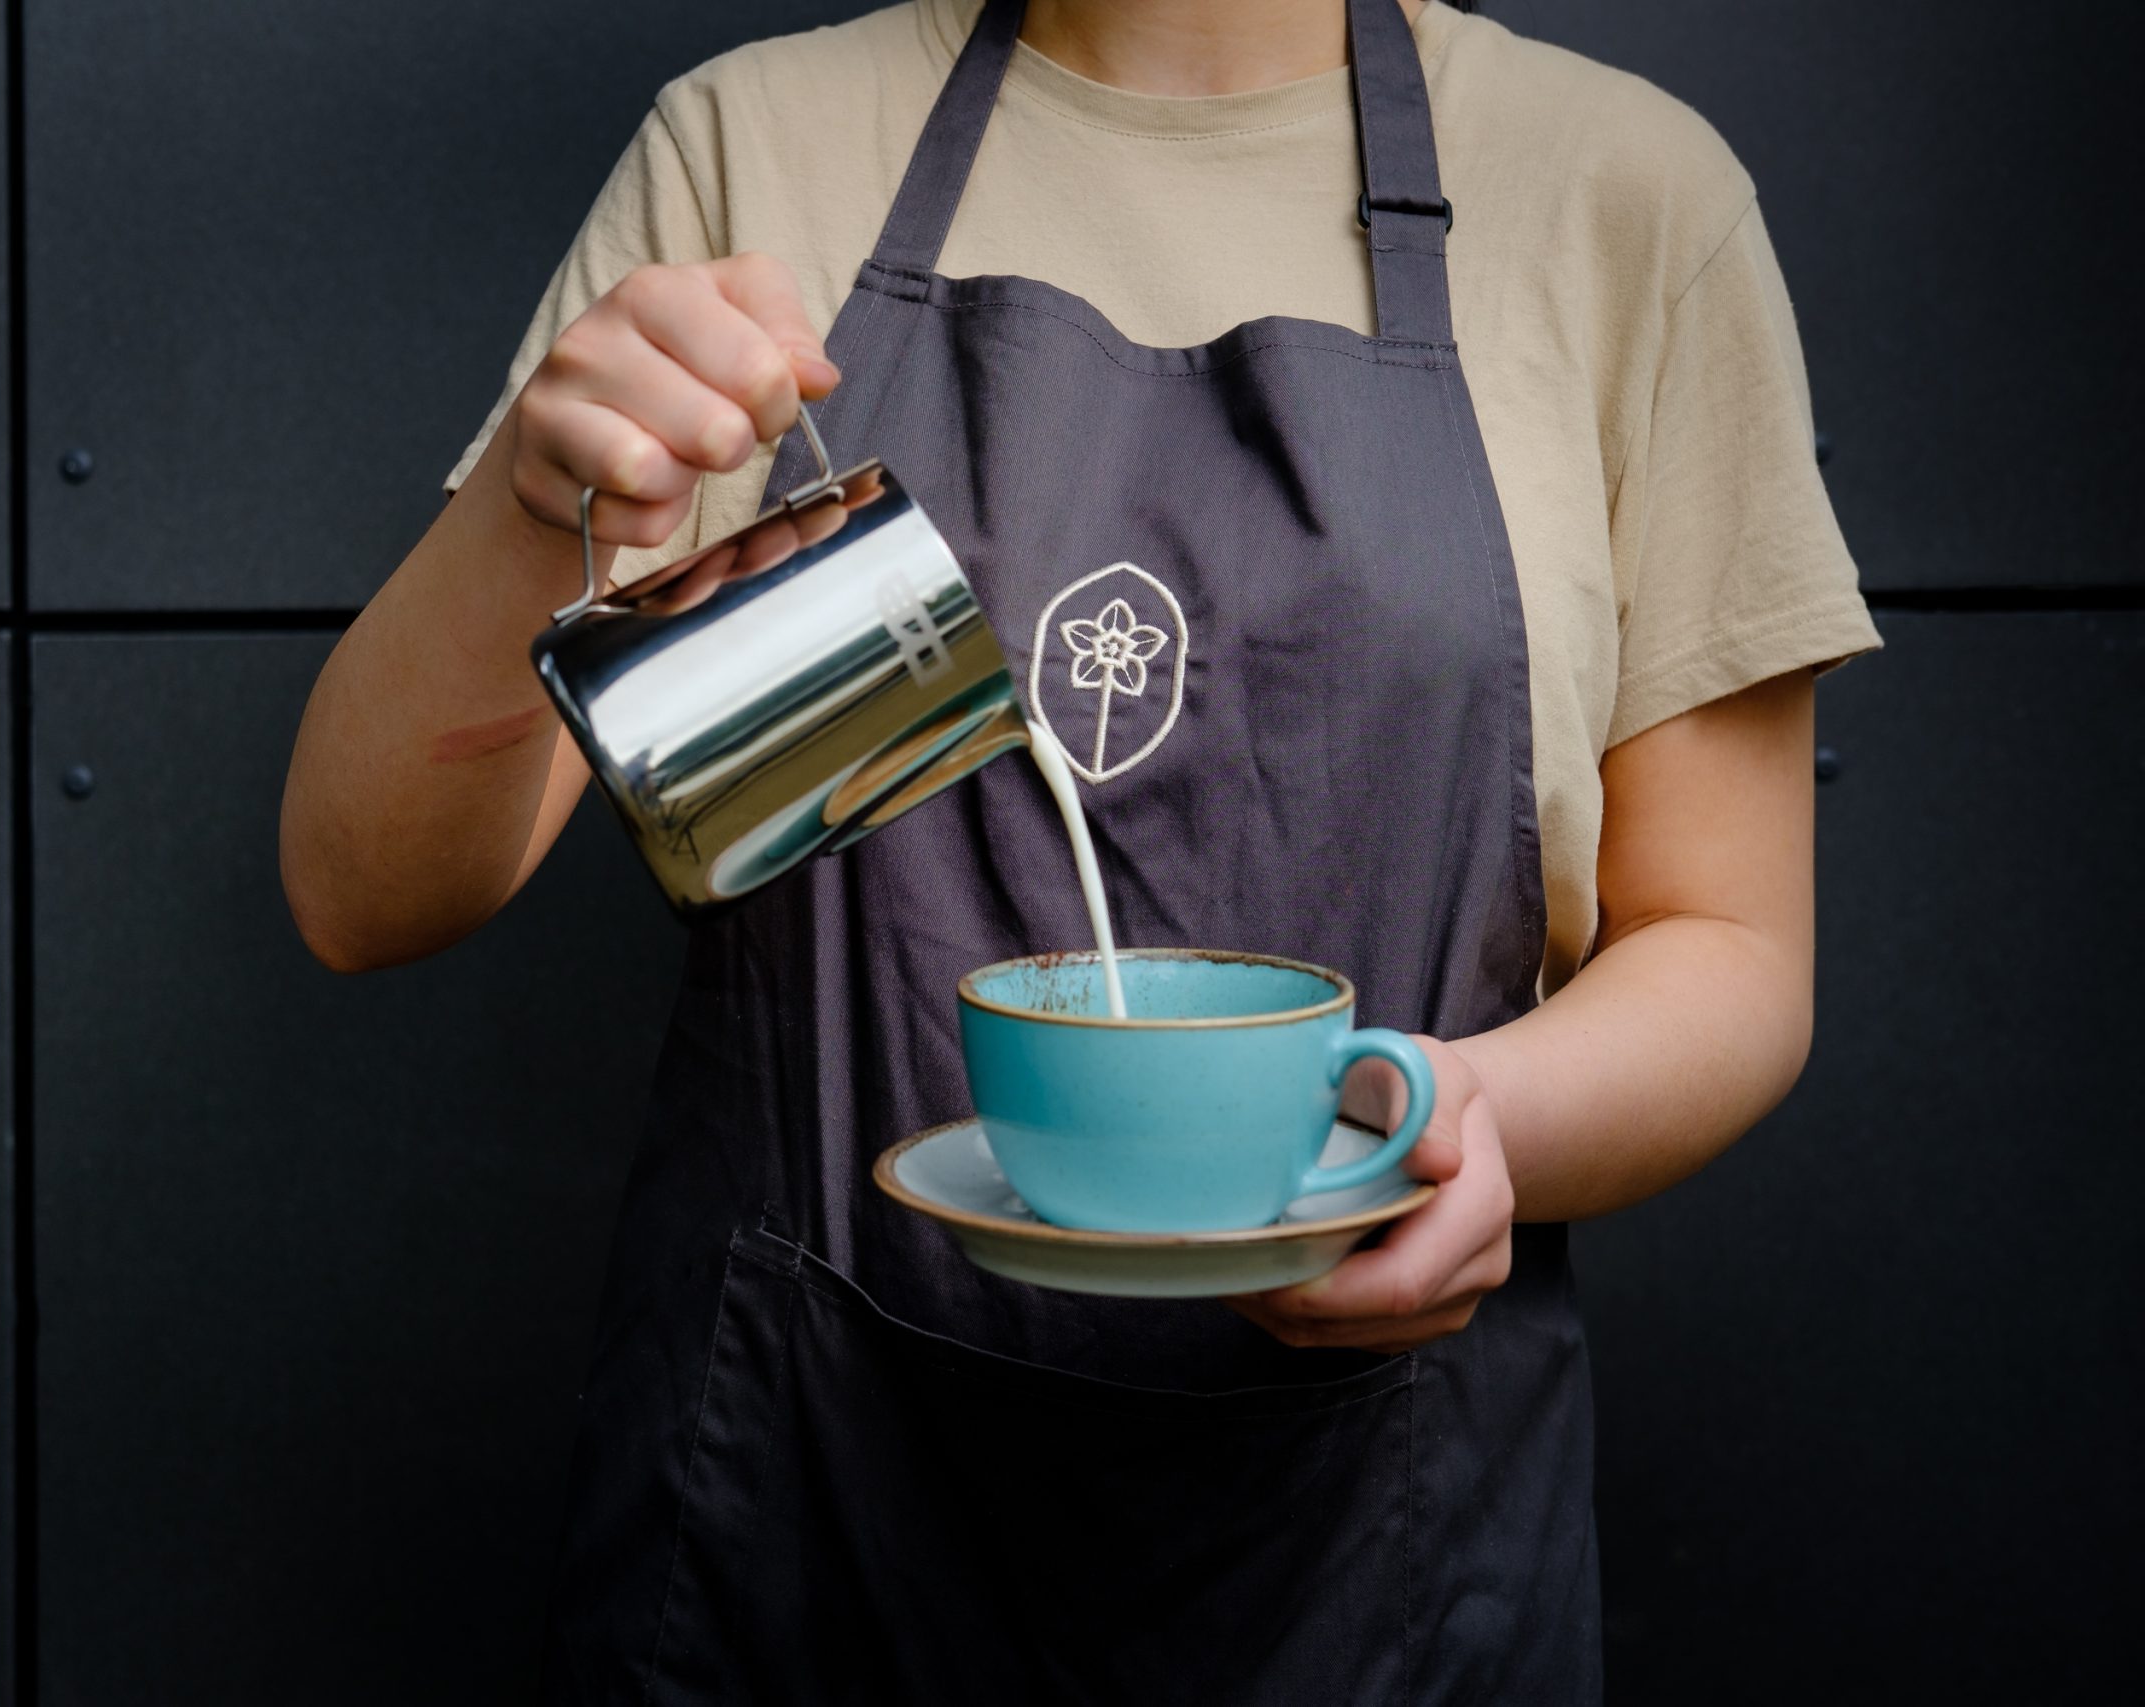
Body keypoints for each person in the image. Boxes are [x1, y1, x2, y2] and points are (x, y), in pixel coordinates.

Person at [279, 0, 1879, 1697]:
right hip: (798, 1524)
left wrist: (1474, 1126)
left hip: (1377, 1573)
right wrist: (534, 508)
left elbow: (1732, 943)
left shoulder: (1625, 198)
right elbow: (363, 891)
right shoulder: (755, 152)